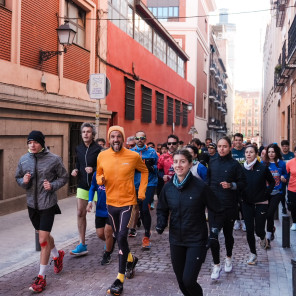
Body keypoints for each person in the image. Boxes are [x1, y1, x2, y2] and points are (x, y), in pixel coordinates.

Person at [156, 149, 222, 296]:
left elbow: (216, 210)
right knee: (181, 281)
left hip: (196, 240)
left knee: (189, 281)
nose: (178, 165)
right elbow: (161, 208)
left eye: (183, 161)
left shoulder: (200, 187)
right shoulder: (168, 188)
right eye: (176, 162)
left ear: (191, 164)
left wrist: (214, 233)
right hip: (176, 239)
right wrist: (161, 223)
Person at [96, 126, 148, 296]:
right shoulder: (102, 155)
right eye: (113, 136)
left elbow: (145, 171)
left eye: (119, 136)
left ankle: (119, 279)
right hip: (110, 203)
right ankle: (131, 259)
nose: (116, 139)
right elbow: (98, 174)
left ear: (123, 138)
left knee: (121, 236)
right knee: (119, 238)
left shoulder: (133, 156)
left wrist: (141, 192)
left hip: (127, 202)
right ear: (109, 139)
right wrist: (100, 179)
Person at [15, 131, 68, 293]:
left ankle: (41, 277)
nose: (32, 145)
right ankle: (57, 256)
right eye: (29, 142)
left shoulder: (54, 159)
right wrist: (23, 181)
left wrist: (52, 186)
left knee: (42, 239)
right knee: (43, 235)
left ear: (42, 143)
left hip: (48, 204)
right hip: (32, 205)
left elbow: (64, 177)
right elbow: (17, 177)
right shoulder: (24, 160)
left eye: (35, 142)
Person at [207, 136, 246, 280]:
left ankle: (228, 257)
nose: (221, 149)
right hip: (214, 207)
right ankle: (216, 265)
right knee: (213, 237)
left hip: (229, 206)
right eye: (219, 146)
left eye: (224, 146)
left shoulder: (235, 165)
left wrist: (231, 185)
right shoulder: (212, 162)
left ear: (230, 147)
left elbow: (243, 183)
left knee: (228, 236)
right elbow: (208, 182)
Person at [70, 122, 101, 256]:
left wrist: (93, 170)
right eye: (83, 132)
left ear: (93, 134)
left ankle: (108, 239)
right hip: (83, 184)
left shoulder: (98, 149)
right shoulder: (78, 148)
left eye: (88, 132)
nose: (85, 134)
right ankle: (82, 244)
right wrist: (76, 169)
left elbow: (104, 167)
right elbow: (78, 162)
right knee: (79, 213)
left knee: (101, 214)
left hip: (97, 186)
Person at [242, 145, 275, 265]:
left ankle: (262, 237)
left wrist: (266, 193)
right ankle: (253, 254)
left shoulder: (262, 168)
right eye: (246, 152)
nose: (248, 154)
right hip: (246, 203)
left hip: (261, 202)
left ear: (256, 154)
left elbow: (272, 182)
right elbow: (239, 184)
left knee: (259, 229)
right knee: (249, 230)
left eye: (251, 152)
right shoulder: (242, 169)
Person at [130, 131, 158, 248]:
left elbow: (157, 168)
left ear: (145, 139)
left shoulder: (152, 152)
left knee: (145, 209)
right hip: (135, 184)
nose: (140, 140)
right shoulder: (130, 152)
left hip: (149, 184)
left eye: (142, 138)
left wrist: (151, 167)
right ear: (135, 140)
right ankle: (133, 228)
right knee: (137, 208)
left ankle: (146, 236)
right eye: (137, 138)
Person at [86, 172, 115, 265]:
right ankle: (112, 241)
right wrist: (90, 201)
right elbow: (92, 187)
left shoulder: (114, 172)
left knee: (108, 232)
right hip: (100, 209)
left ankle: (107, 254)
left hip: (111, 208)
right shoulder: (96, 174)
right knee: (100, 234)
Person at [263, 143, 288, 248]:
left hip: (277, 193)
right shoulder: (264, 164)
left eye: (273, 151)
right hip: (266, 192)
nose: (271, 153)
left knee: (270, 214)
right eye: (269, 152)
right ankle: (271, 230)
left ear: (276, 152)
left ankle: (269, 235)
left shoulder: (281, 164)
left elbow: (286, 174)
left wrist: (283, 177)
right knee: (266, 214)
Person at [231, 133, 246, 232]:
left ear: (242, 141)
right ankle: (237, 220)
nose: (238, 142)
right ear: (233, 141)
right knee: (234, 203)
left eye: (240, 140)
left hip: (245, 181)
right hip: (233, 181)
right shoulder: (231, 152)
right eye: (236, 140)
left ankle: (244, 221)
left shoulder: (246, 152)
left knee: (244, 203)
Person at [281, 140, 294, 214]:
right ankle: (283, 207)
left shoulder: (292, 155)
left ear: (288, 146)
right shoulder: (279, 155)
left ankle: (290, 204)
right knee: (282, 193)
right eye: (283, 146)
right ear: (281, 147)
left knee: (290, 193)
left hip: (291, 177)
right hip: (282, 177)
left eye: (286, 146)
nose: (285, 147)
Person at [286, 146, 296, 230]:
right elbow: (286, 174)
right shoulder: (290, 163)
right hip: (292, 188)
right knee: (293, 206)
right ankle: (295, 222)